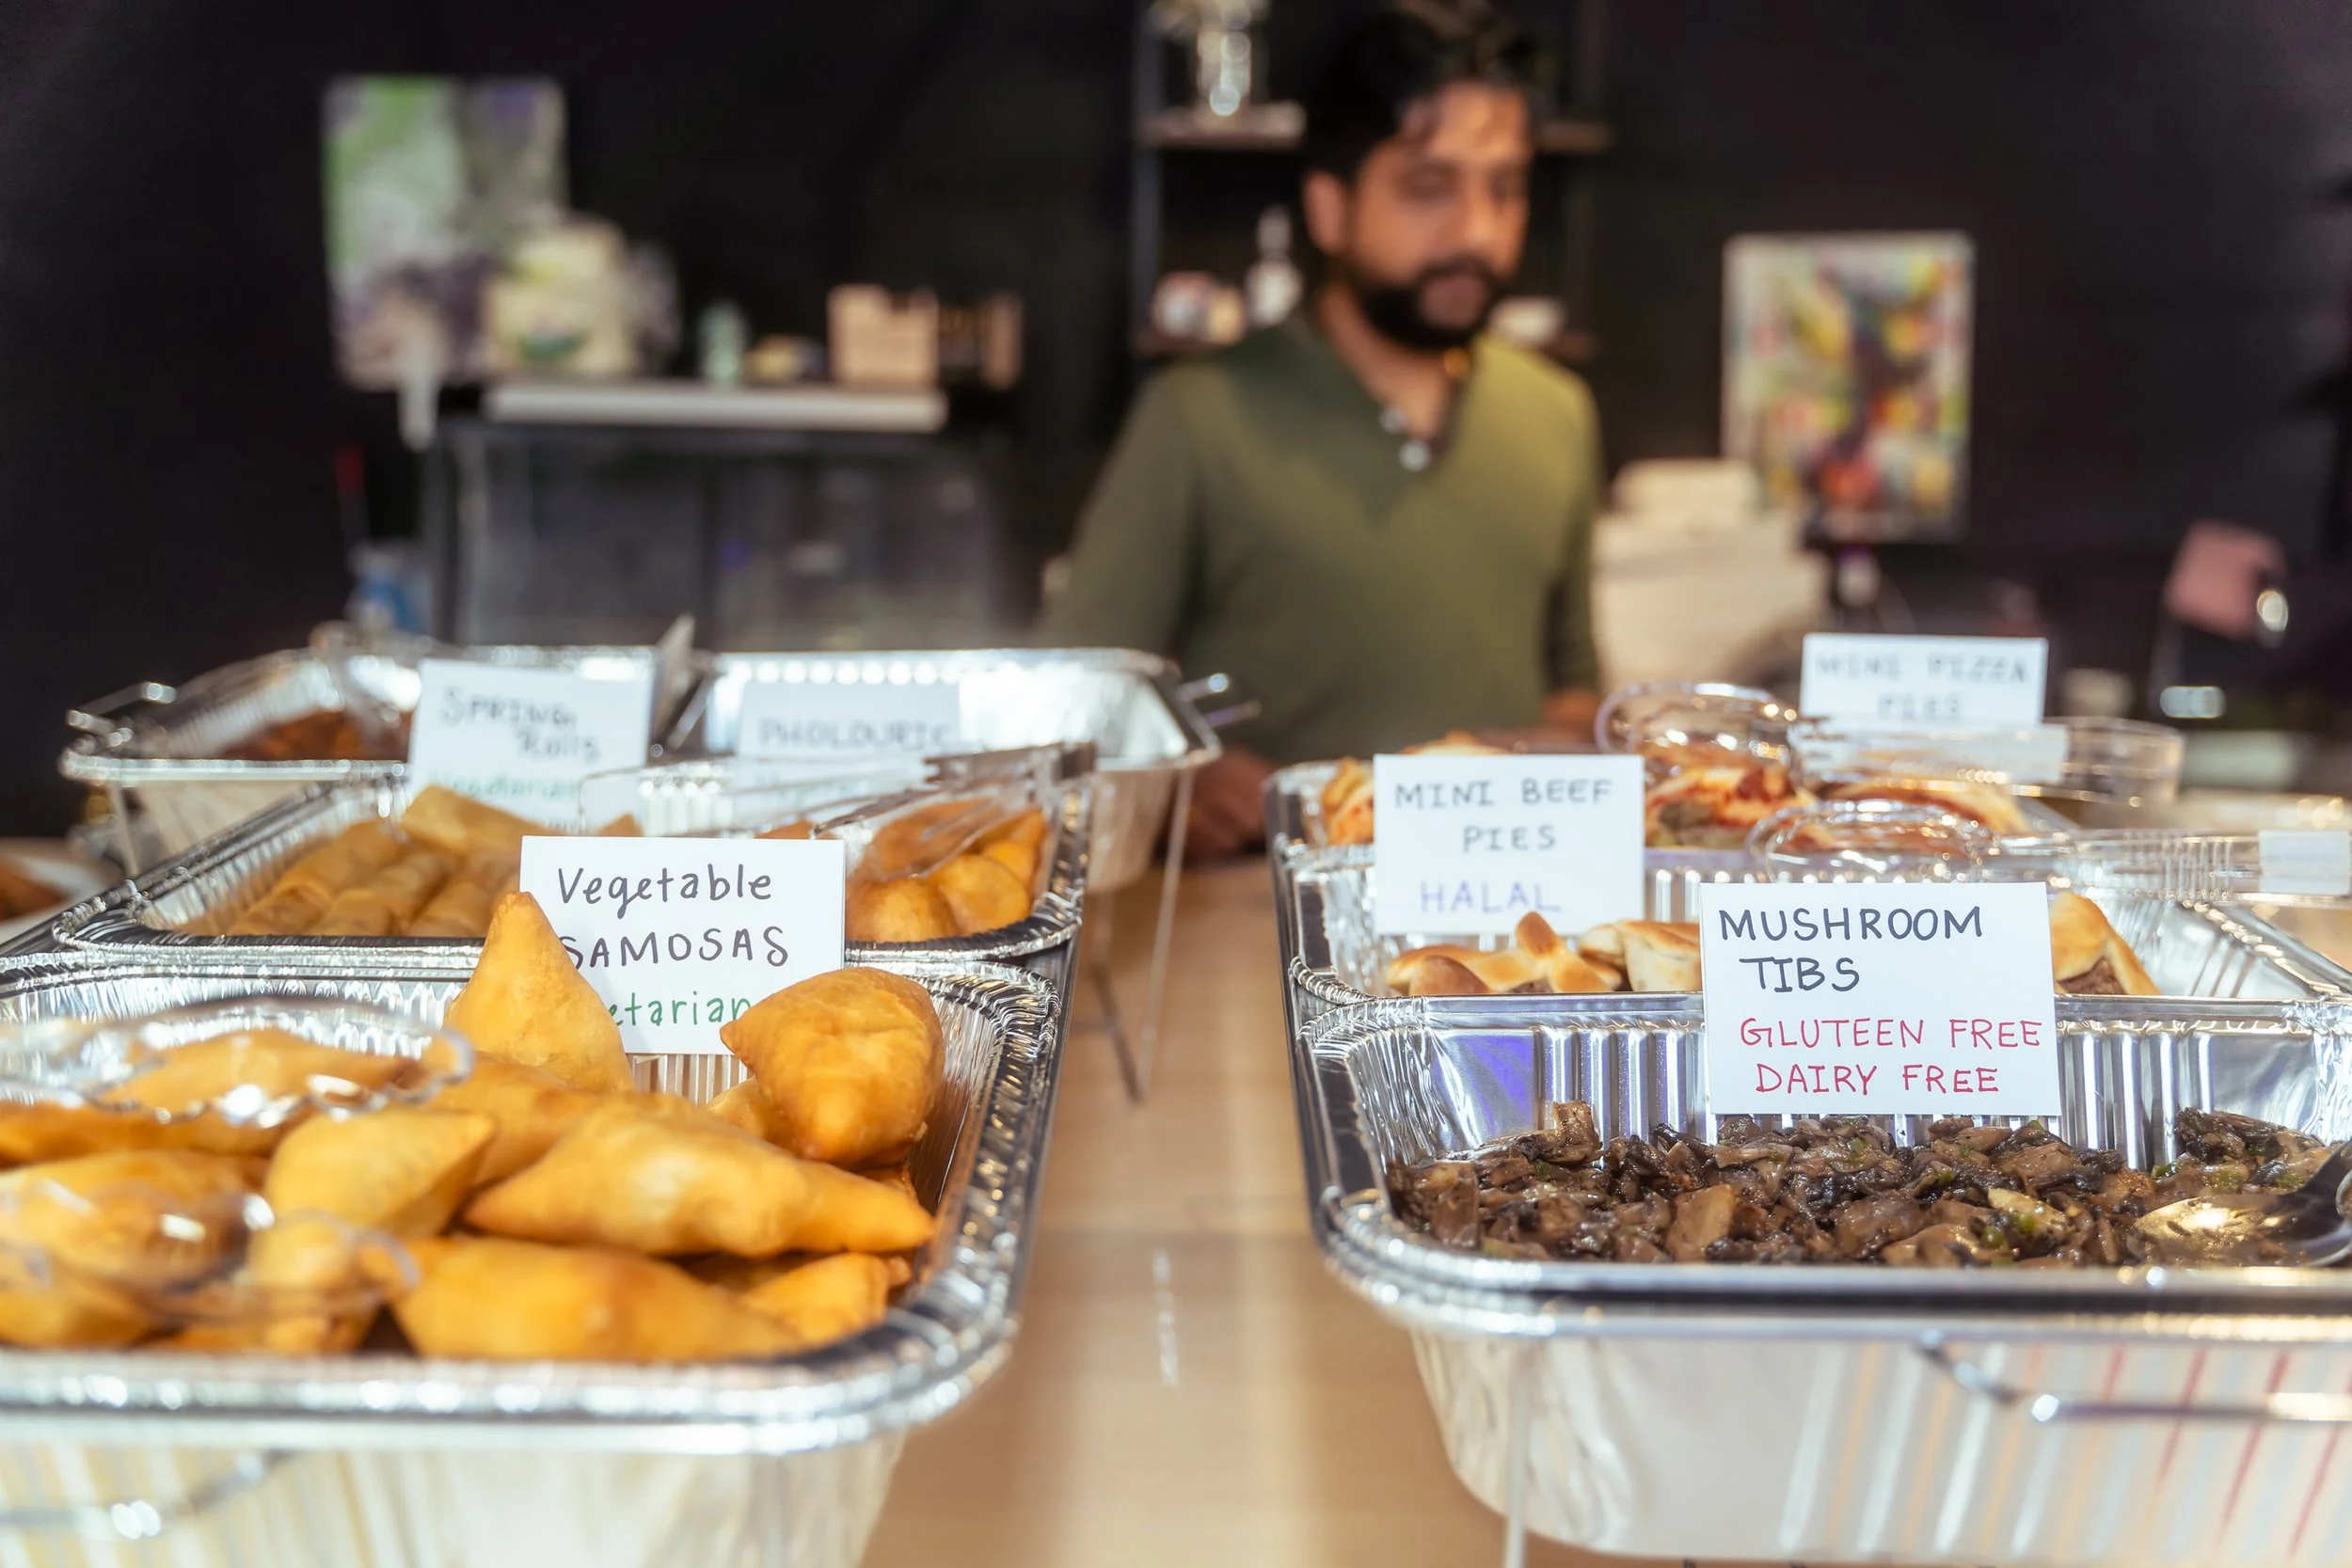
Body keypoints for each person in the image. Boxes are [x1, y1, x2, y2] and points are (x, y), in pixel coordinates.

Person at [1041, 0, 1604, 858]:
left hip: (1504, 937)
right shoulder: (1199, 416)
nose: (1479, 233)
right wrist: (1181, 779)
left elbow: (1573, 689)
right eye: (1429, 187)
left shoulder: (1556, 413)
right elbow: (1073, 705)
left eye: (1506, 187)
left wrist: (1559, 753)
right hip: (1255, 930)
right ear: (1329, 206)